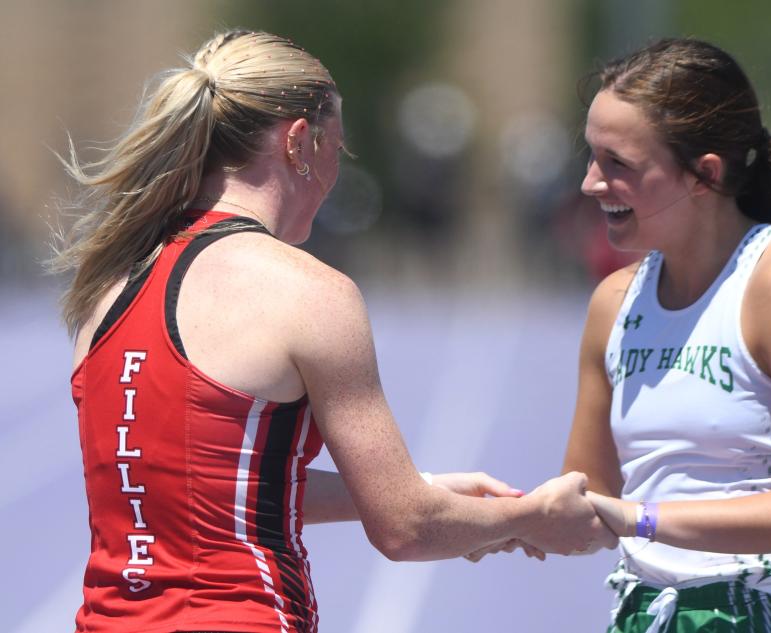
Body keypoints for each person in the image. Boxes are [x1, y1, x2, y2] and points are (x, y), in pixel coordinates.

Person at [50, 30, 615, 633]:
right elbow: (406, 528)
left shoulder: (109, 289)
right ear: (300, 142)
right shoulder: (308, 293)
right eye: (336, 151)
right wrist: (530, 516)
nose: (333, 177)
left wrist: (422, 488)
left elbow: (210, 488)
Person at [559, 39, 771, 632]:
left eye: (616, 163)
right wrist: (471, 509)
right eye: (591, 157)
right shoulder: (614, 303)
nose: (590, 184)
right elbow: (588, 499)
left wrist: (640, 519)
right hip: (647, 612)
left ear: (705, 174)